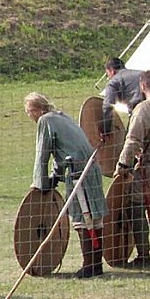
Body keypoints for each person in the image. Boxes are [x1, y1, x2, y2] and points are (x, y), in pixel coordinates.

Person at [25, 92, 108, 278]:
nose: (29, 116)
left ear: (37, 110)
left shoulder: (45, 121)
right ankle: (96, 264)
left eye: (29, 112)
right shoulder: (61, 116)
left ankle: (90, 266)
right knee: (94, 218)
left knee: (83, 218)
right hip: (92, 168)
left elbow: (43, 153)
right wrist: (55, 175)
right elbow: (63, 149)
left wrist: (40, 183)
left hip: (79, 173)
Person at [115, 70, 150, 268]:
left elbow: (133, 140)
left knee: (136, 206)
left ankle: (144, 255)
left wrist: (123, 164)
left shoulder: (144, 109)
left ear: (143, 86)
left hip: (148, 169)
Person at [101, 57, 144, 134]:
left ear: (111, 71)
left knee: (131, 140)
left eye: (107, 74)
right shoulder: (143, 74)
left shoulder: (114, 81)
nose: (108, 77)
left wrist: (105, 129)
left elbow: (108, 106)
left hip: (141, 111)